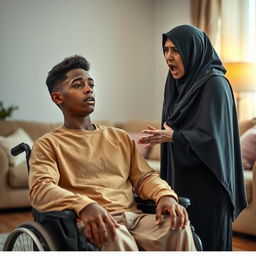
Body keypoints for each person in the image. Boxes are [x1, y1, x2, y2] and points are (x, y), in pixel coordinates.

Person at [28, 55, 196, 251]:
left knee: (177, 227)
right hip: (92, 222)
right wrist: (84, 205)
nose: (89, 89)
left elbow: (145, 177)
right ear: (58, 98)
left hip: (134, 218)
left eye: (91, 84)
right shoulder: (48, 144)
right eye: (77, 85)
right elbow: (41, 189)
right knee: (115, 234)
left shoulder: (119, 137)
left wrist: (165, 195)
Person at [138, 25, 247, 251]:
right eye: (166, 50)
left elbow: (213, 140)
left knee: (207, 240)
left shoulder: (215, 84)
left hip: (208, 182)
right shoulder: (175, 84)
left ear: (192, 50)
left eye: (176, 50)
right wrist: (169, 137)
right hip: (181, 176)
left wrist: (175, 137)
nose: (169, 57)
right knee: (182, 239)